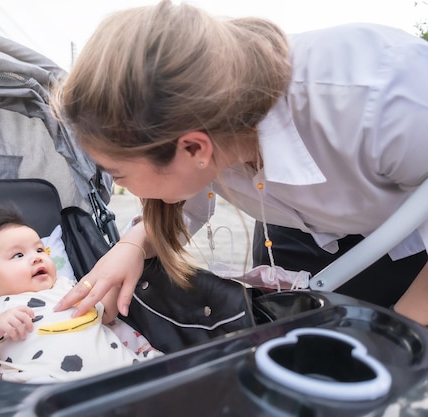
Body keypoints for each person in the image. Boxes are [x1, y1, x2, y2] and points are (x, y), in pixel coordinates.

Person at [52, 0, 428, 325]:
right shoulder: (206, 123)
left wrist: (400, 330)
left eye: (118, 173)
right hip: (295, 226)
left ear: (195, 148)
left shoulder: (384, 97)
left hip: (408, 237)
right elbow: (184, 206)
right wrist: (131, 246)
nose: (123, 187)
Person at [0, 204, 159, 383]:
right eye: (18, 255)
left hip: (122, 373)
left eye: (40, 250)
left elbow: (105, 313)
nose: (37, 258)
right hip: (50, 387)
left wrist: (113, 280)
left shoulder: (67, 287)